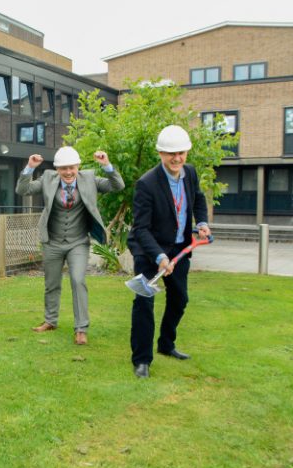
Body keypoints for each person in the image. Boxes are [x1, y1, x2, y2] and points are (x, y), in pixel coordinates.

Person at [16, 146, 124, 345]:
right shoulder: (48, 179)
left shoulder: (90, 179)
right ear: (57, 169)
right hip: (52, 242)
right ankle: (50, 321)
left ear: (78, 166)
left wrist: (107, 165)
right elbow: (22, 190)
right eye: (63, 168)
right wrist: (29, 168)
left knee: (78, 280)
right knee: (52, 283)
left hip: (78, 242)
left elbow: (117, 186)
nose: (67, 172)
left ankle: (81, 328)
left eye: (71, 168)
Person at [128, 125, 211, 378]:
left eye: (181, 153)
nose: (177, 158)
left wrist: (202, 223)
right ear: (160, 153)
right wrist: (160, 258)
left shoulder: (190, 173)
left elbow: (197, 198)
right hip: (149, 250)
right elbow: (140, 229)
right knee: (145, 303)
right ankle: (141, 360)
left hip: (180, 247)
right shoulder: (147, 183)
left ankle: (166, 344)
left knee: (179, 299)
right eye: (170, 153)